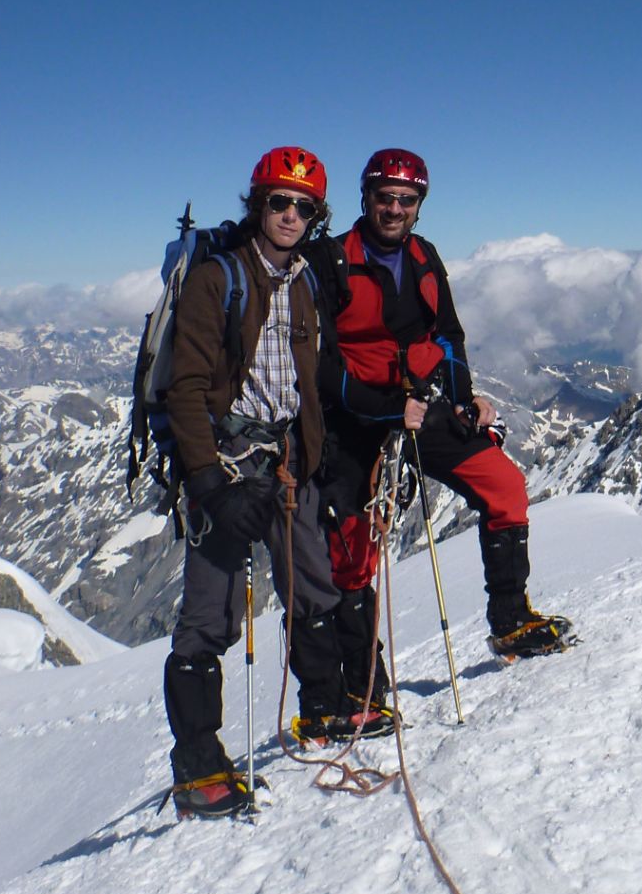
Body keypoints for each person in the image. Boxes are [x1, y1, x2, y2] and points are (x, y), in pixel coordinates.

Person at [312, 147, 573, 700]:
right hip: (354, 422)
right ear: (366, 199)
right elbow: (319, 364)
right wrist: (382, 409)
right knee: (353, 551)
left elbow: (448, 337)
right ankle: (361, 685)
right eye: (385, 197)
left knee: (505, 487)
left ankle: (510, 619)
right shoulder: (330, 262)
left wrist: (463, 401)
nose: (394, 208)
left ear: (418, 206)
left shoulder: (425, 258)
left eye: (406, 200)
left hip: (420, 409)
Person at [160, 146, 357, 820]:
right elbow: (185, 388)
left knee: (315, 586)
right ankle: (199, 767)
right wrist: (211, 484)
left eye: (304, 206)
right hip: (226, 461)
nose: (291, 214)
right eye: (280, 201)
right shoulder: (219, 279)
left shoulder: (301, 280)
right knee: (207, 617)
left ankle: (324, 710)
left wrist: (317, 455)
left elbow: (303, 383)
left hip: (285, 462)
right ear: (258, 204)